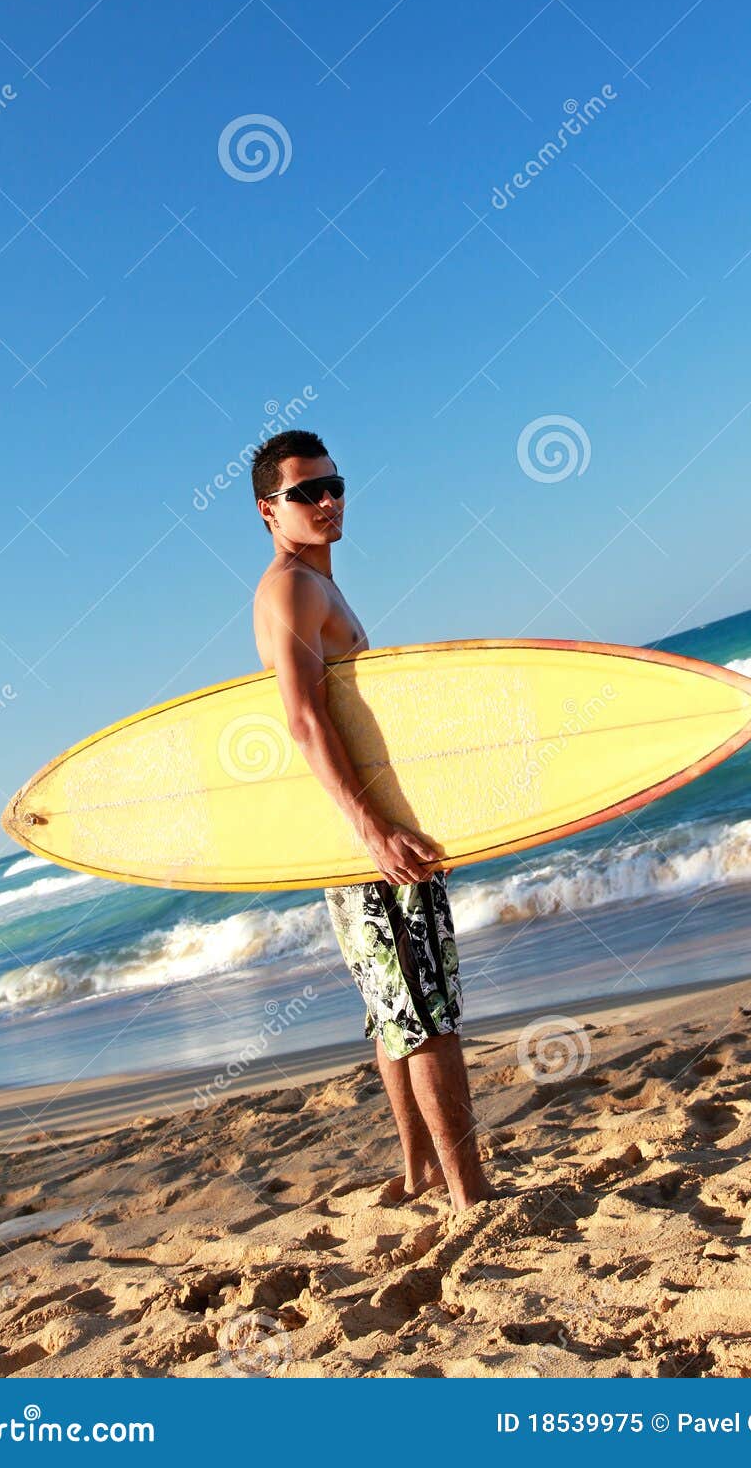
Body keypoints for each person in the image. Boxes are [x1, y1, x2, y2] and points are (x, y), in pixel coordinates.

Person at [250, 429, 495, 1212]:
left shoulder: (318, 584)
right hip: (366, 840)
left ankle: (421, 1170)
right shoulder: (290, 588)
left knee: (395, 1011)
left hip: (359, 835)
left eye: (333, 485)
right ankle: (471, 1198)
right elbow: (301, 719)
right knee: (428, 1017)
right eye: (304, 493)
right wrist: (371, 829)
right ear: (268, 510)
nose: (326, 501)